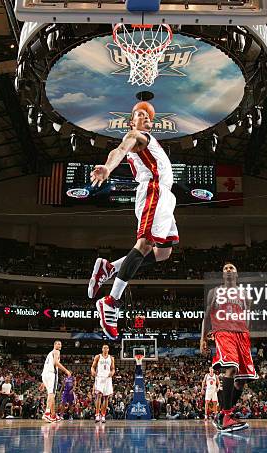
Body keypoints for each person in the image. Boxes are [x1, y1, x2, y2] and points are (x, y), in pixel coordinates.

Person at [88, 101, 178, 339]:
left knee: (163, 253)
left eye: (149, 116)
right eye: (140, 114)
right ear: (131, 122)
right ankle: (111, 301)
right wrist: (107, 168)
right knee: (146, 243)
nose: (146, 118)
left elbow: (118, 150)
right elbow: (118, 150)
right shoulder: (135, 136)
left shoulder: (145, 138)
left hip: (166, 195)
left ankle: (109, 268)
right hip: (154, 190)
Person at [200, 262, 257, 432]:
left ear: (236, 274)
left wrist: (247, 334)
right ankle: (226, 416)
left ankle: (224, 413)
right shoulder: (214, 292)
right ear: (223, 275)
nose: (228, 270)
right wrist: (202, 338)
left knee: (242, 380)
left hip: (241, 334)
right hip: (223, 331)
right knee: (231, 367)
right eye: (225, 268)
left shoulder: (245, 294)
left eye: (231, 268)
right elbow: (207, 315)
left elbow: (248, 316)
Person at [40, 340, 71, 422]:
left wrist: (43, 382)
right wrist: (66, 371)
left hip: (45, 374)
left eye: (60, 344)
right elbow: (56, 362)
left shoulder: (50, 353)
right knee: (52, 394)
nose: (59, 345)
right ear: (54, 345)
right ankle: (47, 414)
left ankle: (53, 415)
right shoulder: (56, 351)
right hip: (51, 374)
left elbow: (48, 365)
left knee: (51, 395)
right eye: (58, 343)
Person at [91, 344, 115, 423]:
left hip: (108, 378)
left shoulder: (111, 358)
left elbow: (113, 369)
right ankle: (97, 415)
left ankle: (103, 415)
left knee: (106, 397)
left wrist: (112, 373)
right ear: (102, 349)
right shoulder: (98, 357)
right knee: (99, 395)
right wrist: (93, 372)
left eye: (107, 348)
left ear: (108, 349)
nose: (105, 349)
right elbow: (93, 367)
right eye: (104, 348)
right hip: (100, 377)